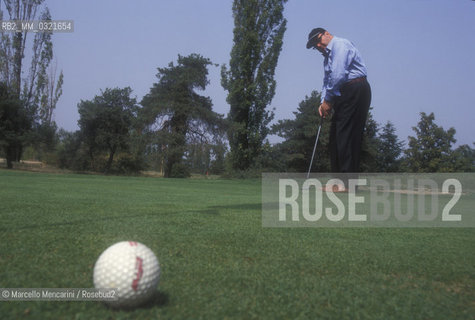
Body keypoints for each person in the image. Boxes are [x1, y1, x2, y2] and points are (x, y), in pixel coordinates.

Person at [306, 27, 371, 191]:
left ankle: (347, 183)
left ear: (327, 34)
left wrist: (328, 101)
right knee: (336, 136)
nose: (318, 46)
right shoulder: (327, 57)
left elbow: (338, 75)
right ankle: (338, 181)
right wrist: (323, 102)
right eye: (315, 45)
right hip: (344, 92)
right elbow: (327, 80)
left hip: (355, 88)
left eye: (318, 40)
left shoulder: (340, 45)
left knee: (347, 135)